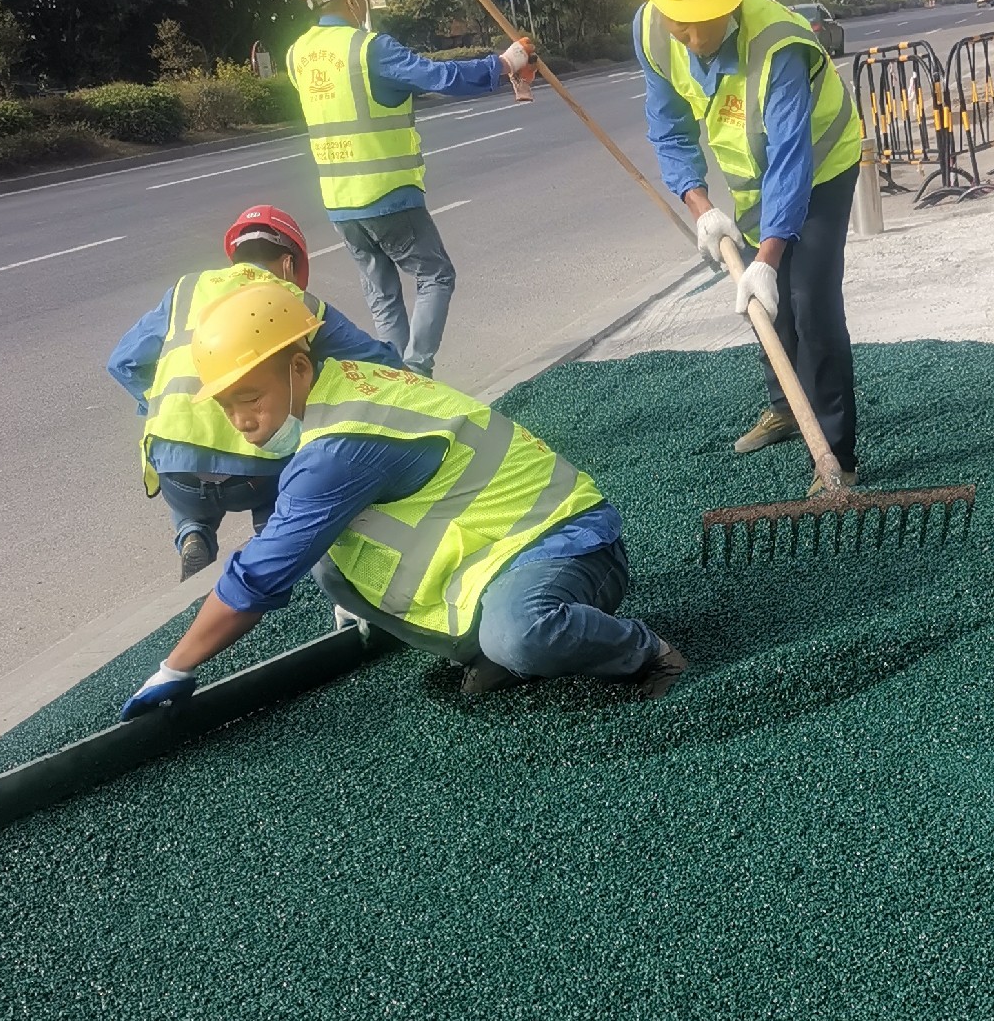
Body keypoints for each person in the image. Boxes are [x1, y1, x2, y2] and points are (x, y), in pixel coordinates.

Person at [118, 278, 685, 715]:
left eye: (250, 397)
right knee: (334, 570)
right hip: (494, 544)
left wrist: (176, 668)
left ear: (296, 367)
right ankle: (492, 651)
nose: (241, 420)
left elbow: (259, 575)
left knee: (523, 634)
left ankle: (645, 651)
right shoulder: (341, 381)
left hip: (567, 541)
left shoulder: (339, 446)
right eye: (225, 405)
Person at [632, 0, 866, 488]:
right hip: (751, 177)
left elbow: (791, 156)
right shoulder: (651, 33)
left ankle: (836, 454)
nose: (693, 34)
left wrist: (768, 253)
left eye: (705, 18)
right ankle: (786, 408)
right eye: (679, 20)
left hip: (821, 165)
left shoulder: (779, 44)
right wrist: (698, 203)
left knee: (808, 300)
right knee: (761, 300)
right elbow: (668, 127)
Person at [286, 0, 534, 378]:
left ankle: (398, 384)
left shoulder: (297, 55)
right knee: (436, 275)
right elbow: (442, 78)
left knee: (382, 297)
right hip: (388, 195)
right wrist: (505, 62)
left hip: (341, 204)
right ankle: (416, 374)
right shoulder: (368, 50)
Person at [107, 204, 381, 579]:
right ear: (288, 264)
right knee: (286, 463)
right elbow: (377, 360)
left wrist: (159, 405)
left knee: (184, 474)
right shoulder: (293, 299)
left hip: (176, 474)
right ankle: (271, 534)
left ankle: (193, 533)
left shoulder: (185, 291)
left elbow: (122, 362)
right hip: (256, 476)